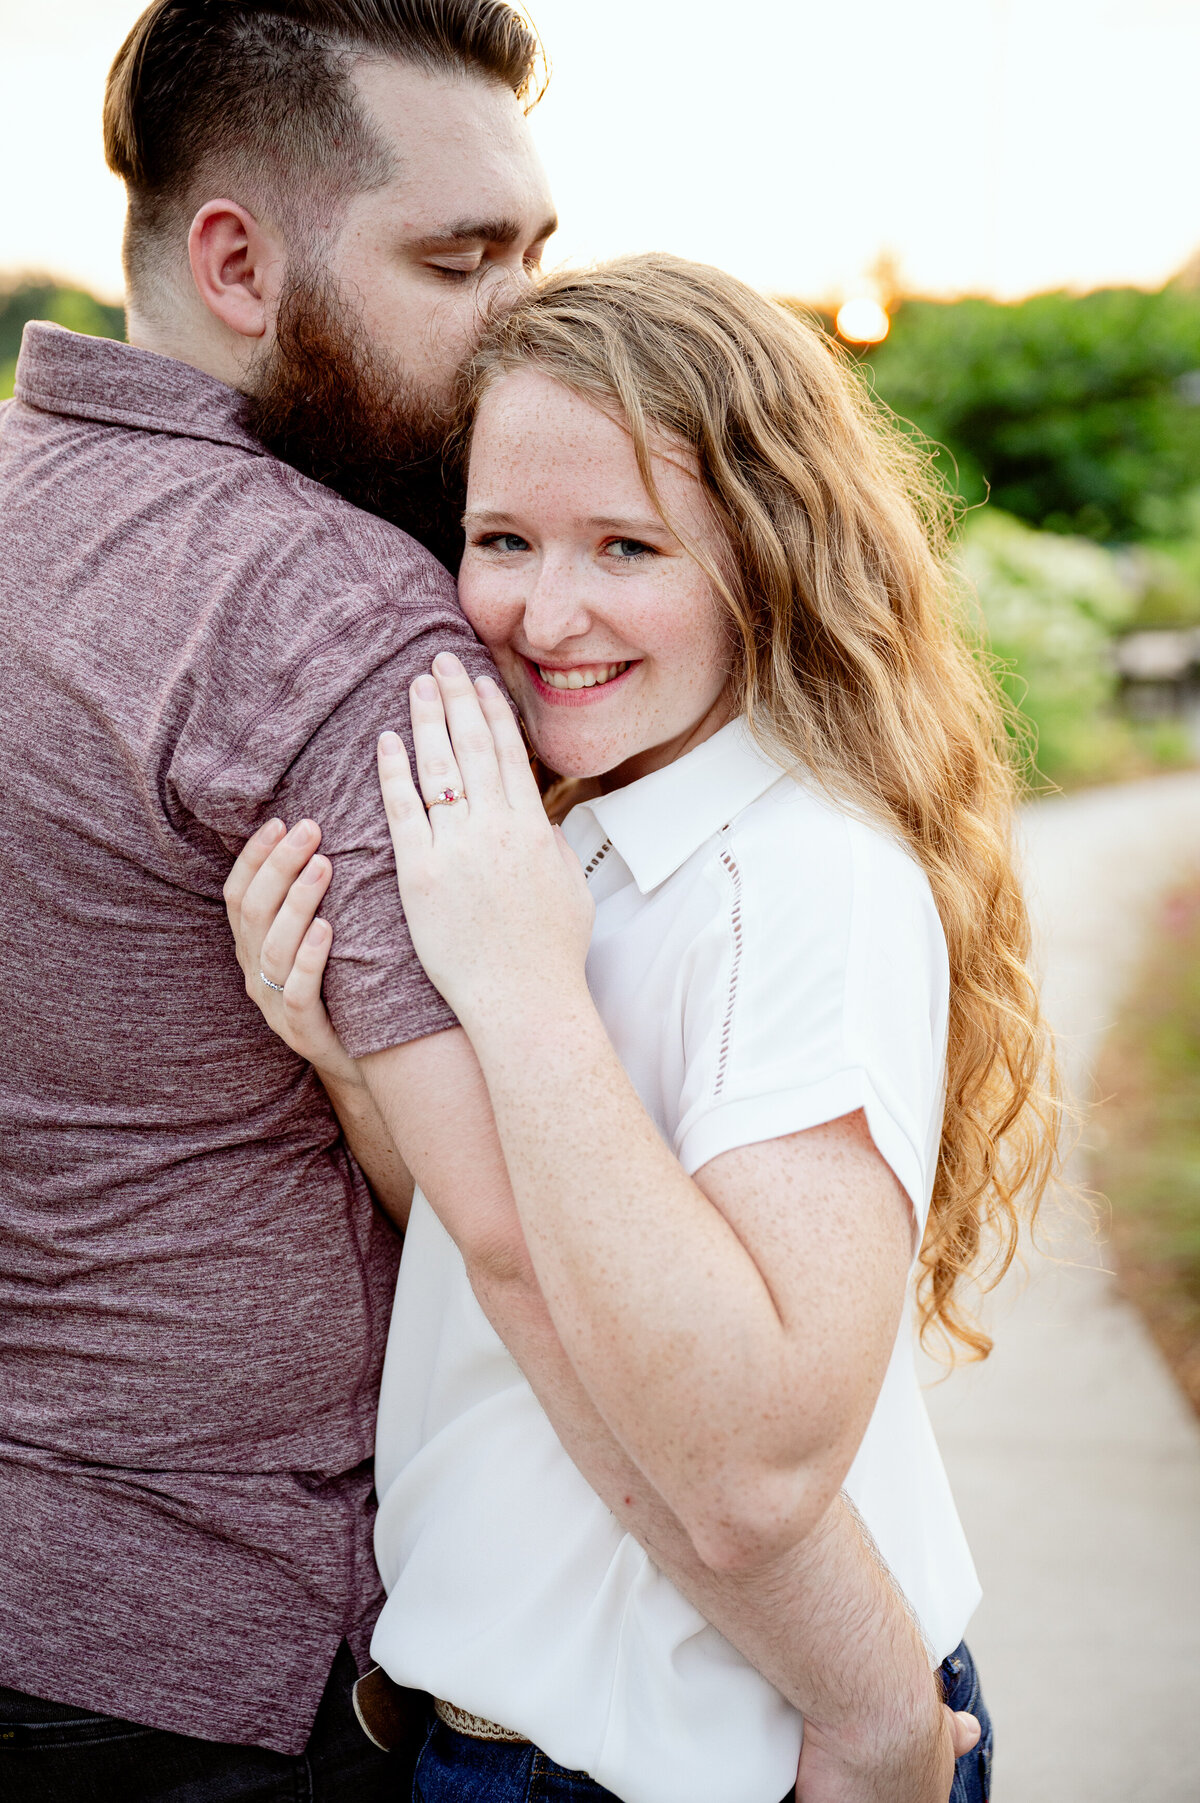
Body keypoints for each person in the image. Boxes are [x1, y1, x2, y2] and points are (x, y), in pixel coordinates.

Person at [0, 5, 979, 1802]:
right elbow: (507, 1248)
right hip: (232, 1658)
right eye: (461, 260)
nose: (519, 312)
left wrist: (880, 1713)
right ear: (239, 261)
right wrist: (870, 1704)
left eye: (537, 246)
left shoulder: (27, 513)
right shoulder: (344, 624)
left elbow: (667, 1362)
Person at [226, 256, 1060, 1803]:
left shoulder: (805, 883)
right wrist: (352, 1057)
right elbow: (527, 1256)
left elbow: (753, 1458)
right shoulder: (585, 835)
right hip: (501, 1746)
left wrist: (525, 990)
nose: (549, 612)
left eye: (628, 545)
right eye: (501, 542)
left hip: (701, 1767)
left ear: (765, 554)